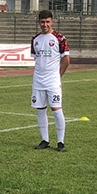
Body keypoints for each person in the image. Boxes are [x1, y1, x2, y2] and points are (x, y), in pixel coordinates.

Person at [31, 9, 69, 152]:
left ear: (52, 21)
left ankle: (60, 142)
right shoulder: (35, 39)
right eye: (42, 22)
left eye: (47, 22)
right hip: (38, 81)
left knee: (56, 110)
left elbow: (66, 60)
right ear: (38, 22)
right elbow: (37, 60)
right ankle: (45, 140)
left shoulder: (60, 39)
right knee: (40, 110)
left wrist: (58, 76)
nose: (45, 24)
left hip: (53, 81)